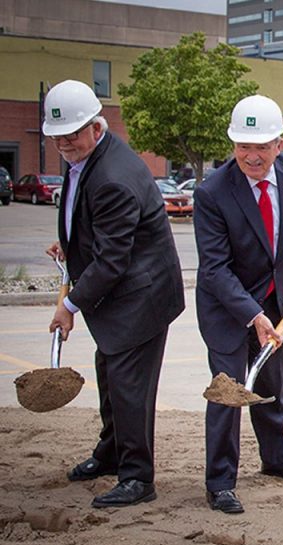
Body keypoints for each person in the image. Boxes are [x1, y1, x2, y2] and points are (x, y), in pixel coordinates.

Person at [43, 80, 185, 508]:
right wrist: (71, 245)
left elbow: (111, 262)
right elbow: (89, 223)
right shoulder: (86, 158)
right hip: (120, 294)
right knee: (110, 376)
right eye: (58, 137)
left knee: (129, 389)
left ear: (96, 127)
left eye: (73, 134)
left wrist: (68, 305)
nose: (65, 143)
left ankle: (138, 477)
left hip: (139, 297)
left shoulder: (112, 178)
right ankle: (110, 453)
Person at [193, 95, 283, 515]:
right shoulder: (212, 192)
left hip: (278, 303)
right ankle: (220, 482)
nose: (252, 156)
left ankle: (277, 460)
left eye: (261, 146)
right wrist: (253, 315)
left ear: (279, 144)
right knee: (229, 392)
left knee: (272, 388)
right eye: (243, 146)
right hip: (228, 309)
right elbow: (214, 269)